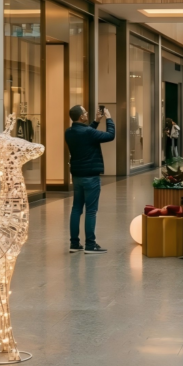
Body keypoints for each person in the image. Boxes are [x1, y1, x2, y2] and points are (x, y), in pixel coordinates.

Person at [65, 105, 116, 254]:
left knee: (76, 209)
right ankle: (90, 245)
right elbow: (110, 135)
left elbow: (87, 135)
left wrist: (95, 121)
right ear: (81, 117)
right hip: (91, 177)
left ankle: (74, 244)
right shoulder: (87, 132)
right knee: (91, 211)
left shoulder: (69, 132)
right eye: (85, 112)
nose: (87, 113)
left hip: (77, 176)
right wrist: (109, 118)